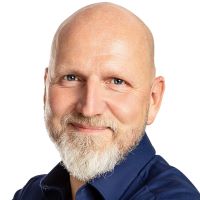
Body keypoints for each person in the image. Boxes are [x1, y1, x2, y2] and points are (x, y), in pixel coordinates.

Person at [13, 2, 200, 200]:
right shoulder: (31, 194)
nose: (89, 108)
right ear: (46, 87)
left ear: (153, 99)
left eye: (117, 82)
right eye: (71, 78)